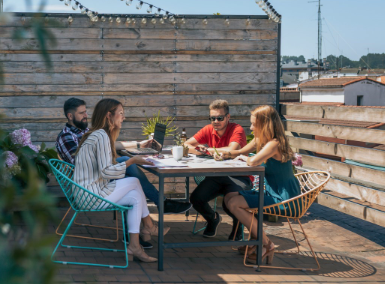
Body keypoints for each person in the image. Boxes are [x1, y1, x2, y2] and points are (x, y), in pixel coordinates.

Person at [74, 99, 168, 262]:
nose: (123, 118)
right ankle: (149, 227)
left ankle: (134, 246)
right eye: (121, 113)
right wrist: (132, 161)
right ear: (109, 116)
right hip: (90, 195)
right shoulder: (101, 136)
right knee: (134, 182)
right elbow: (107, 172)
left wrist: (133, 156)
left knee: (135, 197)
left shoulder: (99, 134)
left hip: (89, 191)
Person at [219, 105, 301, 264]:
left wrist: (245, 158)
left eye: (253, 124)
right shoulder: (263, 141)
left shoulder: (274, 144)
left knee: (235, 204)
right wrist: (218, 152)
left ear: (265, 125)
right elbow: (241, 152)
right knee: (230, 197)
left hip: (284, 199)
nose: (250, 128)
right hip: (271, 193)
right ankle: (255, 242)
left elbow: (253, 160)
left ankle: (266, 244)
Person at [183, 99, 251, 239]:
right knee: (196, 199)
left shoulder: (236, 129)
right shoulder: (208, 129)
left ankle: (238, 226)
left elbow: (232, 150)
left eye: (219, 118)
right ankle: (213, 219)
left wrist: (207, 150)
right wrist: (198, 150)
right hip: (217, 176)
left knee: (230, 203)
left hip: (238, 176)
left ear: (228, 117)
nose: (215, 121)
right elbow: (186, 145)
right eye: (212, 118)